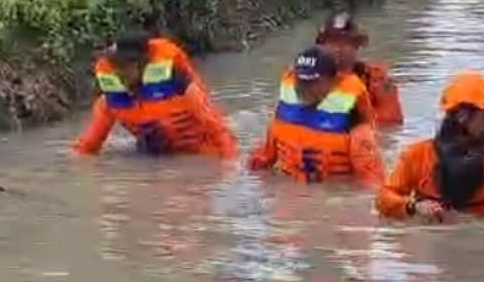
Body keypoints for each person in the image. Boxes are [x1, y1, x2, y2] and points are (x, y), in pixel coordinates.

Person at [377, 71, 484, 221]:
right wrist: (413, 206)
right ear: (462, 116)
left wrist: (470, 222)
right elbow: (382, 201)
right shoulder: (417, 155)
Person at [73, 32, 237, 158]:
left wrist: (229, 169)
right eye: (116, 68)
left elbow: (221, 133)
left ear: (143, 65)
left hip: (198, 150)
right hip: (153, 153)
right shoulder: (108, 102)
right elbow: (89, 145)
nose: (120, 75)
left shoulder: (184, 90)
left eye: (126, 67)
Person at [248, 46, 384, 185]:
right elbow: (262, 160)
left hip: (333, 195)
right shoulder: (284, 111)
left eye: (312, 82)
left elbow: (371, 186)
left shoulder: (357, 128)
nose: (304, 88)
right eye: (301, 81)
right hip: (289, 194)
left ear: (333, 81)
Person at [315, 12, 404, 126]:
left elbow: (391, 124)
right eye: (332, 42)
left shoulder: (376, 80)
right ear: (321, 46)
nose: (337, 49)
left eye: (345, 43)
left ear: (356, 46)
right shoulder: (307, 78)